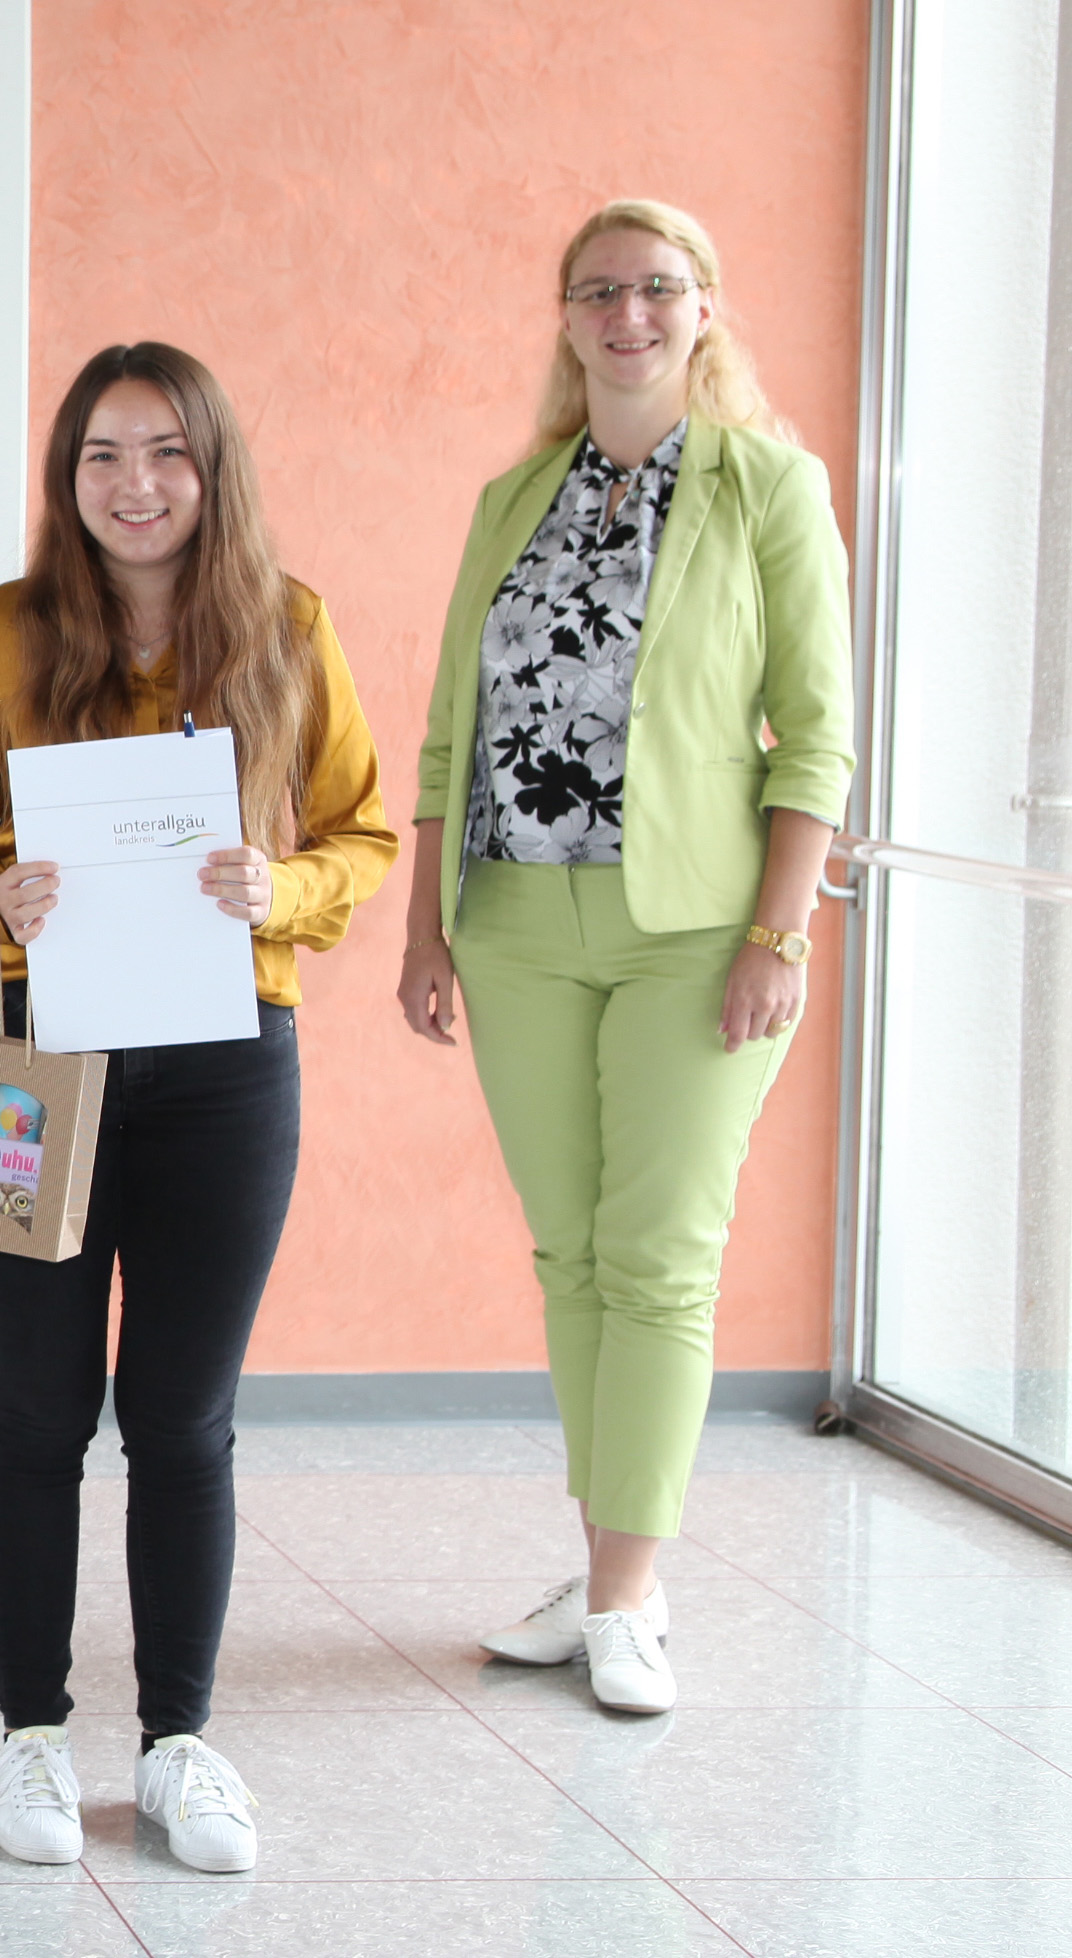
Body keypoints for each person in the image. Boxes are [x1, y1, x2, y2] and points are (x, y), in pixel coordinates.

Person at [0, 342, 394, 1873]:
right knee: (36, 1413)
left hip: (227, 1063)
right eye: (105, 456)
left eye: (168, 453)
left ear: (213, 467)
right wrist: (3, 891)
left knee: (183, 1420)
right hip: (32, 1060)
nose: (136, 484)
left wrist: (285, 882)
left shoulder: (292, 627)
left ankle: (180, 1742)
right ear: (68, 479)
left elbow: (364, 831)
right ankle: (33, 1738)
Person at [394, 200, 851, 1716]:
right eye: (601, 290)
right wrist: (426, 928)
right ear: (568, 316)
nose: (629, 313)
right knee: (573, 1255)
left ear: (704, 309)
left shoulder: (771, 488)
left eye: (659, 288)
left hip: (697, 935)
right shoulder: (513, 495)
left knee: (659, 1262)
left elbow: (818, 735)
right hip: (517, 924)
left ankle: (628, 1601)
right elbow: (452, 729)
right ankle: (603, 1569)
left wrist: (780, 929)